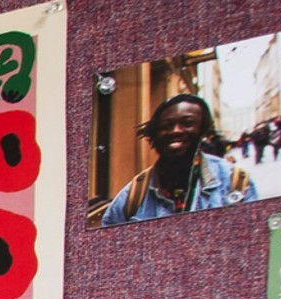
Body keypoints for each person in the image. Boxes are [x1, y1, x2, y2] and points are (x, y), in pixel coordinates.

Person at [99, 91, 254, 224]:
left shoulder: (235, 183)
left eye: (187, 123)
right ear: (155, 134)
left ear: (203, 131)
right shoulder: (132, 197)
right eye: (166, 125)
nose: (175, 131)